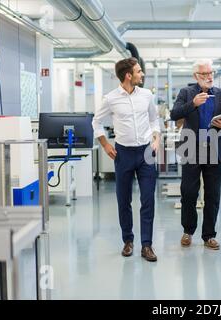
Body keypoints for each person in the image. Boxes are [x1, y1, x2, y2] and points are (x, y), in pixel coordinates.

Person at [92, 57, 160, 262]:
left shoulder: (147, 95)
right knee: (124, 200)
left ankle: (146, 245)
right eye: (139, 71)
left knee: (148, 199)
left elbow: (154, 119)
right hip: (123, 154)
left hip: (146, 152)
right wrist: (105, 144)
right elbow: (96, 122)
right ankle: (128, 241)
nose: (142, 74)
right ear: (128, 75)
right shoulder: (111, 98)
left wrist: (156, 138)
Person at [170, 59, 221, 250]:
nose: (209, 77)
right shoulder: (186, 93)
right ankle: (188, 231)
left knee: (213, 193)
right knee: (189, 191)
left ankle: (209, 235)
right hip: (192, 146)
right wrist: (193, 104)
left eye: (211, 73)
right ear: (196, 76)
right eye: (204, 74)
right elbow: (174, 114)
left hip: (214, 147)